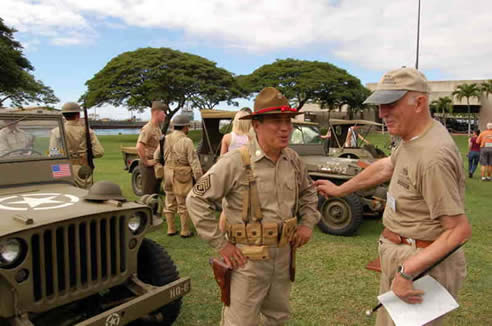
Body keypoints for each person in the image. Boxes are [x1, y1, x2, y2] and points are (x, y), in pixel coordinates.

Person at [315, 67, 471, 326]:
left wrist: (407, 272)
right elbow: (387, 165)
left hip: (420, 265)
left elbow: (458, 231)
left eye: (390, 104)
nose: (382, 113)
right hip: (408, 257)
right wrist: (340, 190)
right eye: (380, 104)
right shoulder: (414, 138)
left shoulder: (432, 156)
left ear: (419, 102)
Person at [186, 87, 320, 325]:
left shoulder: (292, 159)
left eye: (288, 121)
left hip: (283, 257)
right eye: (276, 121)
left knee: (278, 318)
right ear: (256, 125)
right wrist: (222, 244)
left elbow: (309, 191)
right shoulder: (235, 162)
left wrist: (308, 224)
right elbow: (195, 199)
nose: (285, 128)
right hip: (247, 261)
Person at [155, 114, 202, 237]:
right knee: (183, 203)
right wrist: (199, 179)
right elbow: (194, 162)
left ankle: (171, 229)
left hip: (168, 173)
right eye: (188, 126)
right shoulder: (187, 141)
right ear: (185, 127)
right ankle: (185, 231)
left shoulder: (164, 139)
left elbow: (156, 156)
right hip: (183, 176)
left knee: (169, 201)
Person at [49, 102, 104, 188]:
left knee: (65, 194)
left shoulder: (56, 131)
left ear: (64, 115)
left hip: (61, 167)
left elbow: (53, 154)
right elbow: (99, 152)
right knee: (84, 194)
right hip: (82, 167)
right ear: (78, 115)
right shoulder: (88, 131)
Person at [218, 108, 252, 232]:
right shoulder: (251, 139)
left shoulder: (227, 138)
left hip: (230, 176)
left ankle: (223, 232)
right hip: (247, 176)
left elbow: (222, 160)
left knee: (226, 208)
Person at [136, 101, 167, 194]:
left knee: (155, 193)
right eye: (163, 112)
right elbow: (139, 146)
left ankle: (154, 209)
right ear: (156, 112)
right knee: (149, 194)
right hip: (149, 167)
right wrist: (146, 162)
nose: (165, 115)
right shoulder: (148, 128)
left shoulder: (157, 128)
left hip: (155, 164)